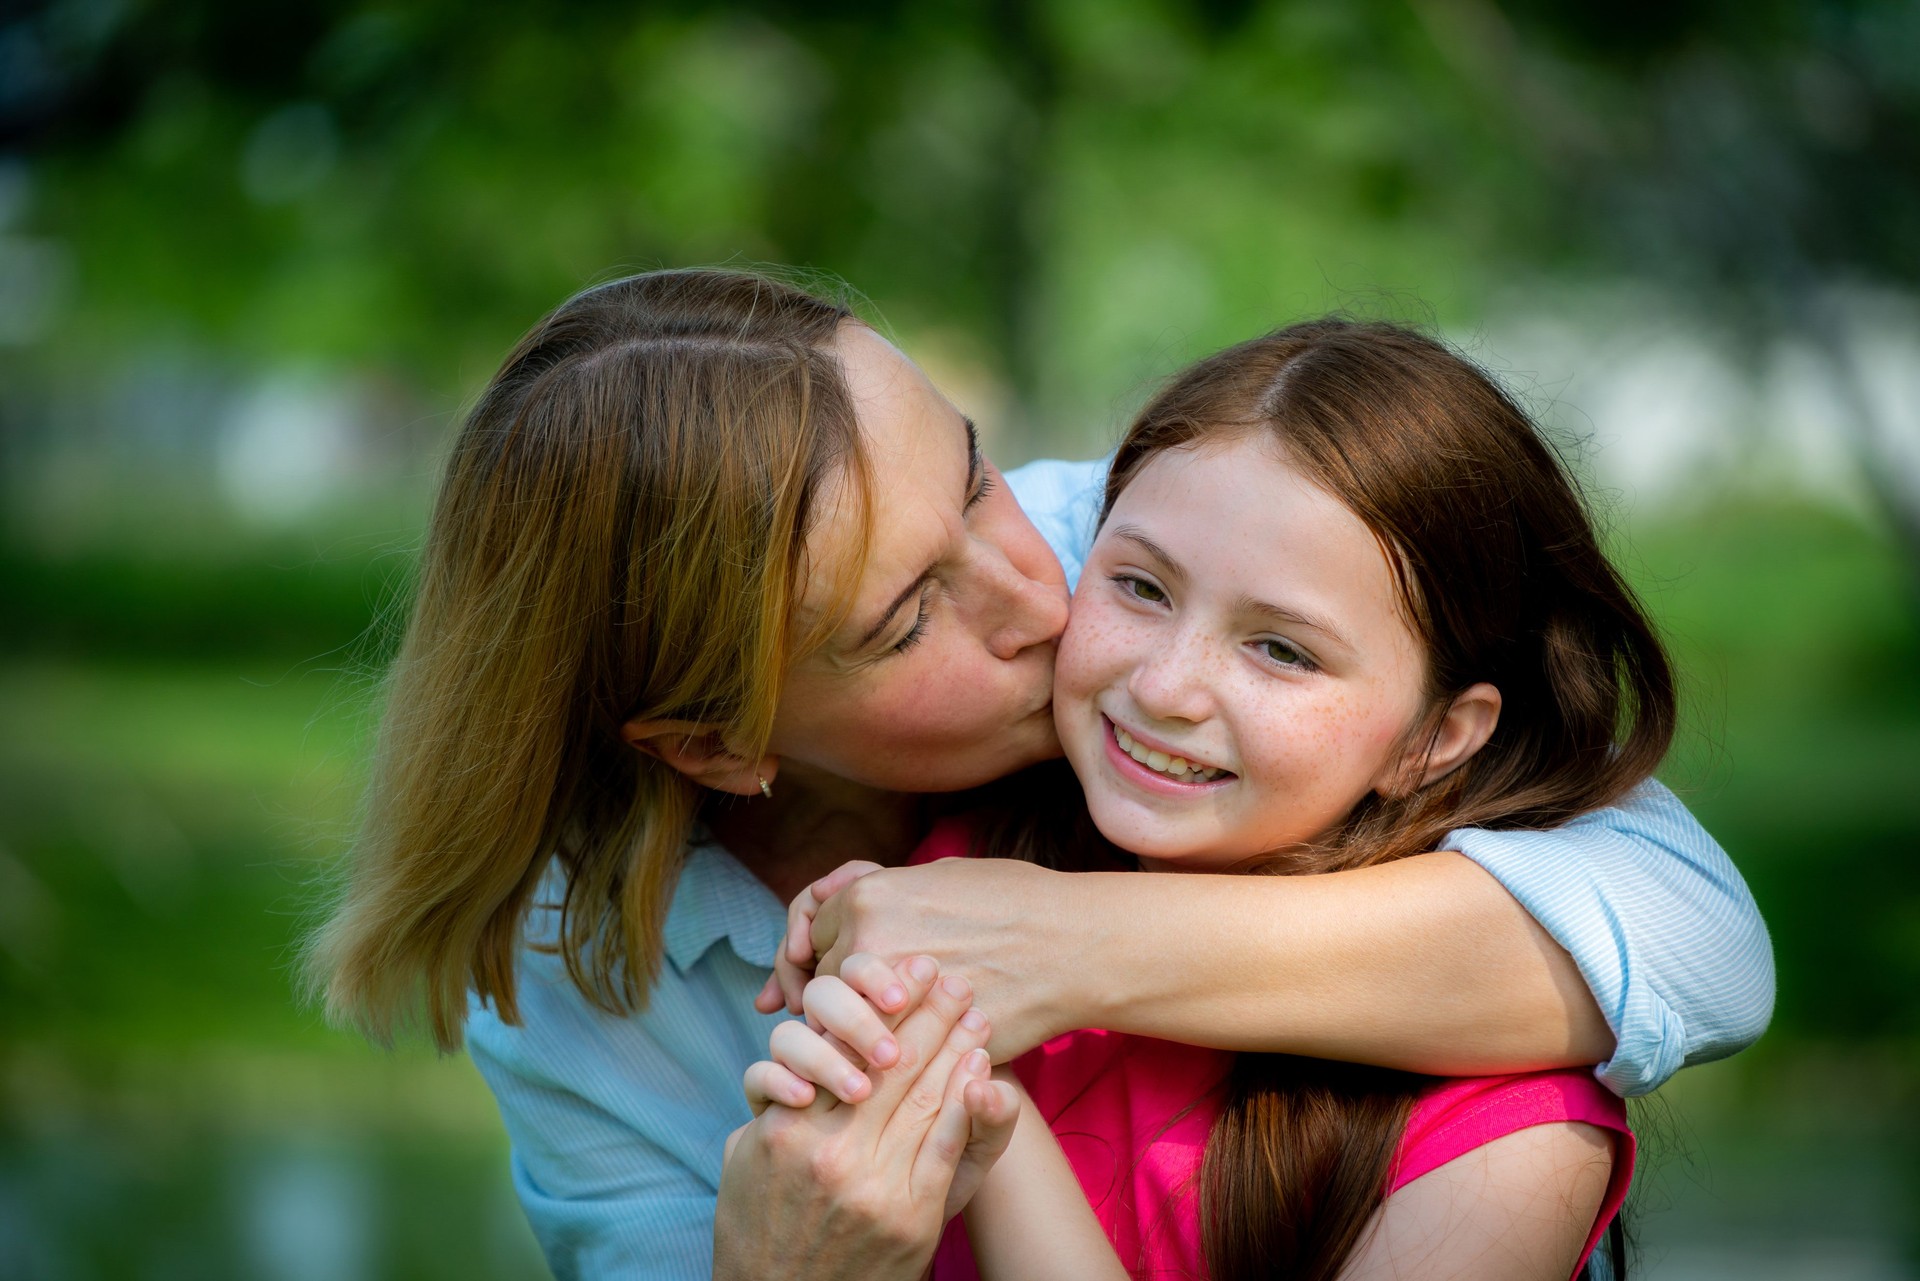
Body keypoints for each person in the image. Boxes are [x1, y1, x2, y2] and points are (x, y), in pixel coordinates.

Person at [302, 269, 1772, 1280]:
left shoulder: (1130, 560)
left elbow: (1700, 943)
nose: (1036, 595)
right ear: (717, 744)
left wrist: (1059, 945)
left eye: (974, 474)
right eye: (905, 619)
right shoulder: (574, 979)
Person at [753, 317, 1688, 1279]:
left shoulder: (1514, 1137)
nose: (1165, 687)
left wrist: (978, 1091)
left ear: (1434, 739)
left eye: (1282, 649)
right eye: (1141, 587)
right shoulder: (967, 870)